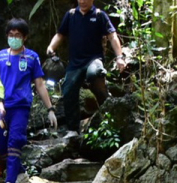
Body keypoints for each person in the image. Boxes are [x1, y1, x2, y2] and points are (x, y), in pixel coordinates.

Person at [0, 18, 58, 183]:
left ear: (25, 37)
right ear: (7, 36)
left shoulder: (31, 57)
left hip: (20, 107)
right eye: (11, 35)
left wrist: (50, 109)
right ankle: (19, 171)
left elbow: (40, 84)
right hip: (0, 106)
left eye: (18, 35)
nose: (14, 38)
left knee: (15, 142)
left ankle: (9, 182)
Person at [46, 0, 126, 136]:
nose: (82, 1)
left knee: (95, 73)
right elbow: (60, 34)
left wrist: (119, 57)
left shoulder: (99, 15)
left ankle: (108, 112)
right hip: (75, 63)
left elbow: (112, 36)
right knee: (68, 89)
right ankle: (73, 130)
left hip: (93, 60)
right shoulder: (70, 15)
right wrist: (51, 47)